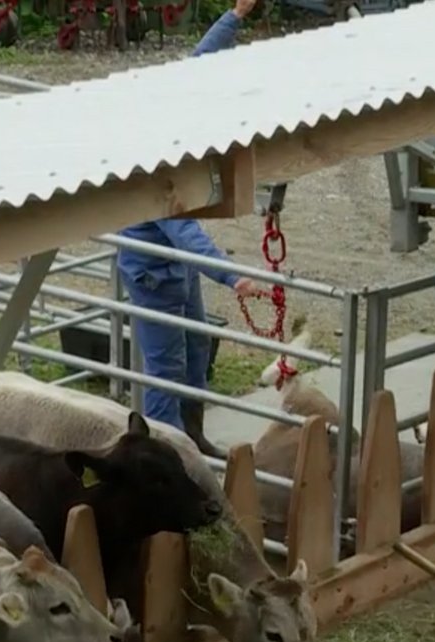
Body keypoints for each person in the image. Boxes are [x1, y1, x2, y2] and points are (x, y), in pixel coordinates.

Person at [114, 0, 261, 459]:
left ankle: (192, 437)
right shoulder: (154, 162)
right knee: (166, 365)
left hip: (177, 265)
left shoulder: (170, 113)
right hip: (154, 270)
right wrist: (231, 276)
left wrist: (234, 17)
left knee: (197, 344)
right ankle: (167, 454)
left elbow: (200, 63)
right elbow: (185, 234)